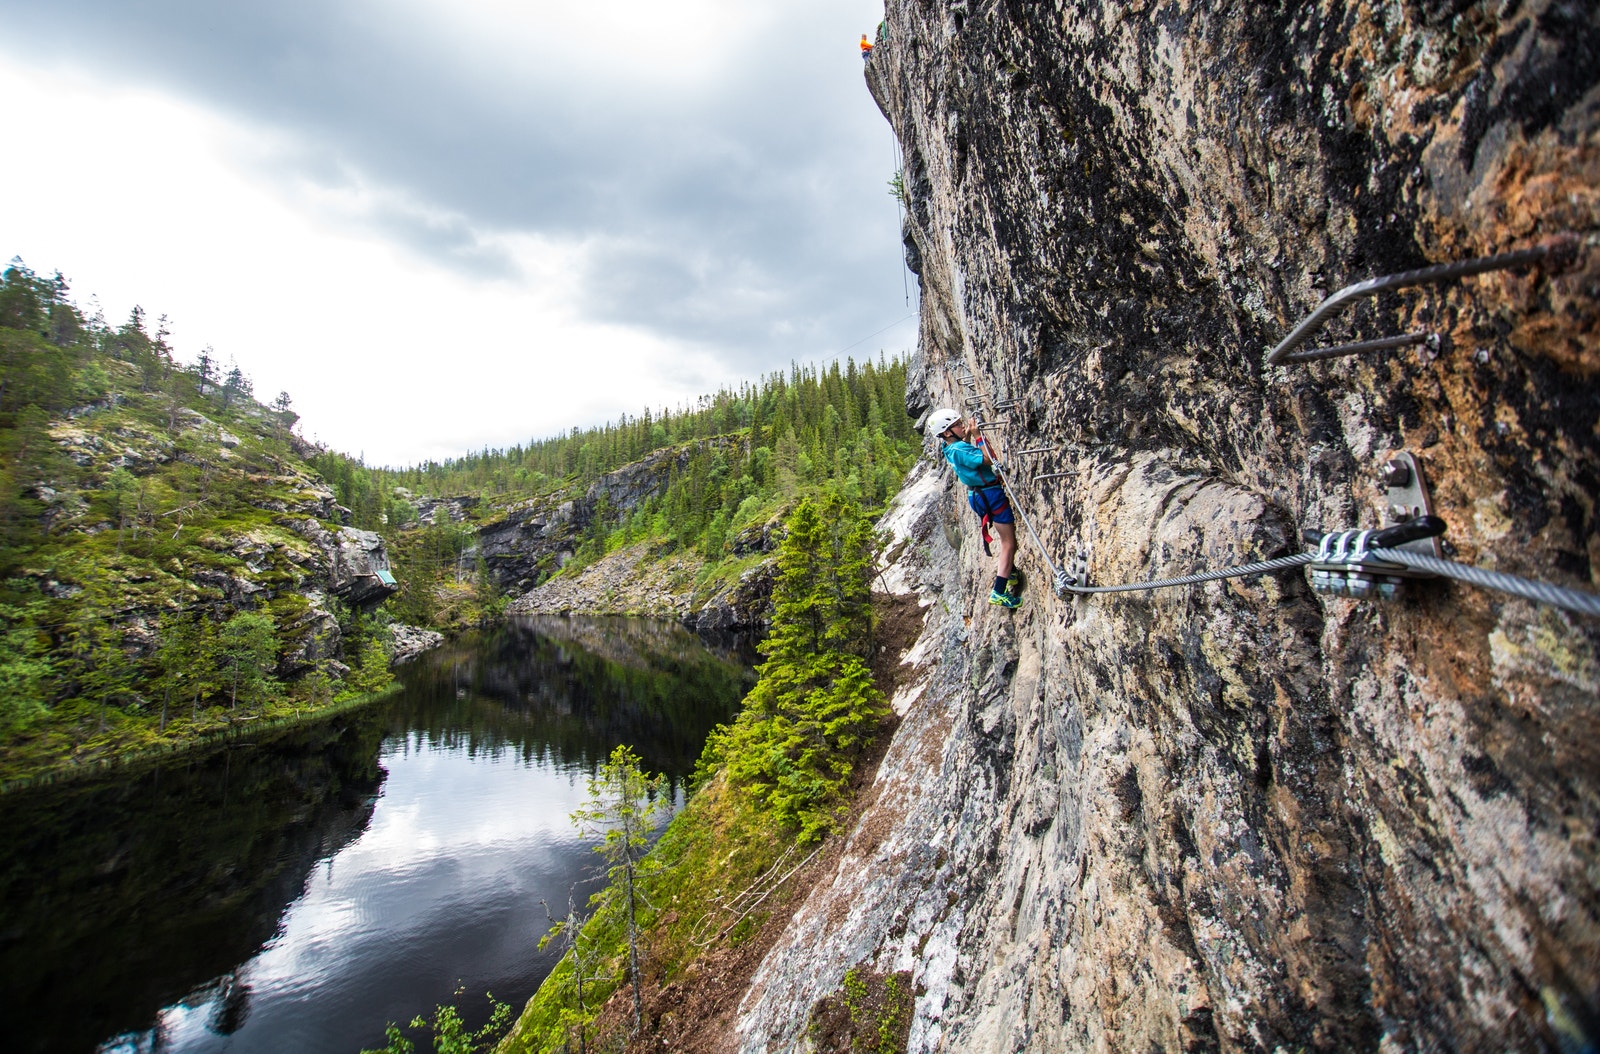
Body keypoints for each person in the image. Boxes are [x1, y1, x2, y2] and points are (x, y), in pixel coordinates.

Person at [925, 408, 1021, 608]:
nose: (962, 426)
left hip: (977, 495)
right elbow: (987, 459)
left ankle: (1010, 570)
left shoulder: (950, 447)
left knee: (1006, 539)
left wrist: (966, 435)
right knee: (1008, 543)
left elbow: (963, 452)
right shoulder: (960, 449)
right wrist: (977, 436)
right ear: (948, 432)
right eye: (958, 425)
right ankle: (999, 590)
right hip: (990, 495)